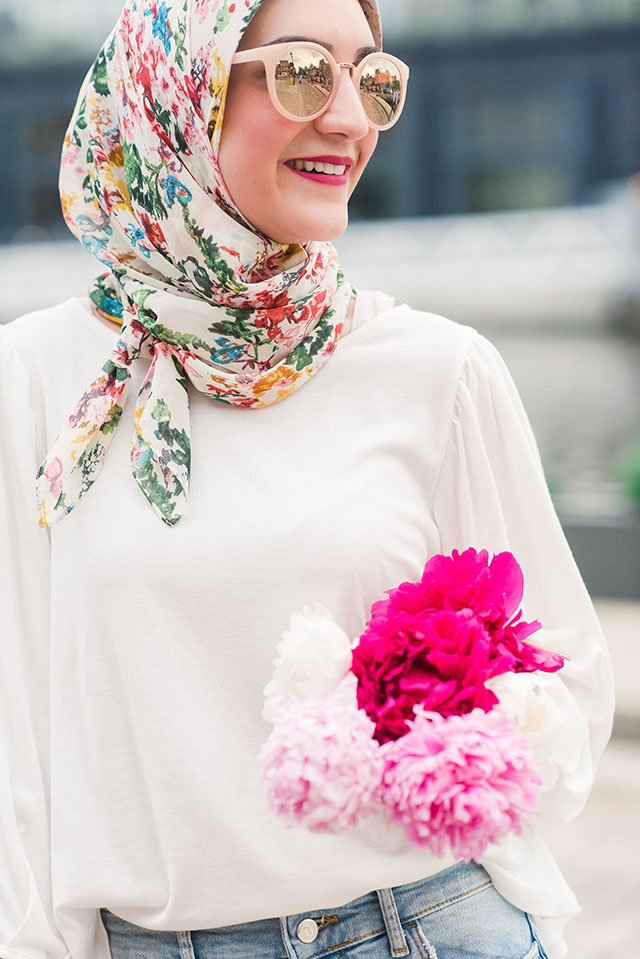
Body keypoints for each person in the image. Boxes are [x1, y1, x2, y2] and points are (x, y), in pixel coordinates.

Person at [0, 1, 613, 958]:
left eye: (373, 81)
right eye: (300, 73)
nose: (350, 119)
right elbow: (16, 751)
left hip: (432, 925)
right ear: (178, 92)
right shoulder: (35, 380)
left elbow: (568, 678)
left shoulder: (439, 370)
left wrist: (436, 727)